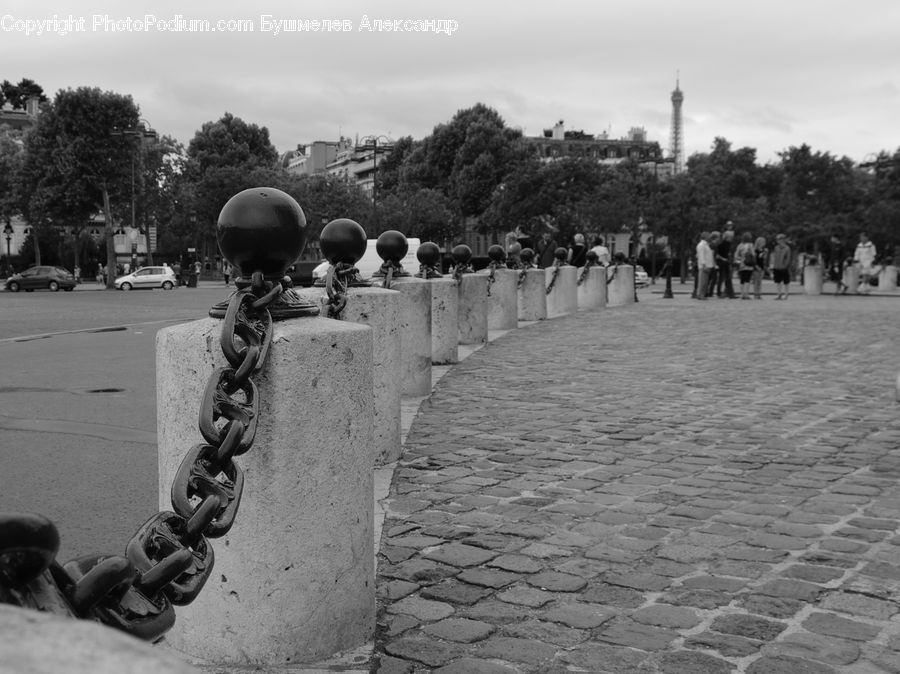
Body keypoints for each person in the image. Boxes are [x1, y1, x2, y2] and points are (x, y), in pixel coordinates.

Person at [733, 232, 756, 300]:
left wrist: (741, 258)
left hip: (742, 264)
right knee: (747, 279)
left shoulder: (740, 245)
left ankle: (742, 294)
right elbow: (753, 254)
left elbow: (736, 255)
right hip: (749, 265)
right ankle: (746, 294)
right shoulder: (751, 245)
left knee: (742, 279)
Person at [715, 226, 736, 298]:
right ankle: (719, 292)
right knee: (721, 278)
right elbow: (717, 254)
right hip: (722, 262)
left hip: (727, 262)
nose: (732, 238)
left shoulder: (729, 244)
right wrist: (723, 259)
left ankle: (730, 293)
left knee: (728, 278)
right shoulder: (721, 244)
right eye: (731, 237)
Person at [694, 231, 715, 300]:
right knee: (702, 281)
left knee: (705, 282)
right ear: (705, 237)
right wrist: (704, 265)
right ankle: (700, 294)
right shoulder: (701, 245)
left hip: (708, 265)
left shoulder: (706, 245)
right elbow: (701, 256)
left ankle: (703, 294)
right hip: (704, 266)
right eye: (708, 235)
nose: (710, 237)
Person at [771, 233, 792, 299]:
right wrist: (773, 265)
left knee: (786, 281)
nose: (778, 241)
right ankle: (779, 294)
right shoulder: (776, 248)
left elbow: (788, 258)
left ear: (783, 240)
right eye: (777, 239)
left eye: (779, 239)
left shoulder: (787, 248)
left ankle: (786, 295)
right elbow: (774, 257)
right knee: (778, 281)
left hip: (784, 267)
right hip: (776, 267)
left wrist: (785, 265)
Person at [706, 231, 721, 297]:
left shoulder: (710, 244)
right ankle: (710, 292)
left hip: (710, 263)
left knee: (709, 279)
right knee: (713, 279)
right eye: (718, 237)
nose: (719, 239)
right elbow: (712, 255)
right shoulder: (713, 245)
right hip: (712, 264)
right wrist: (715, 264)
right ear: (715, 238)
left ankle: (707, 291)